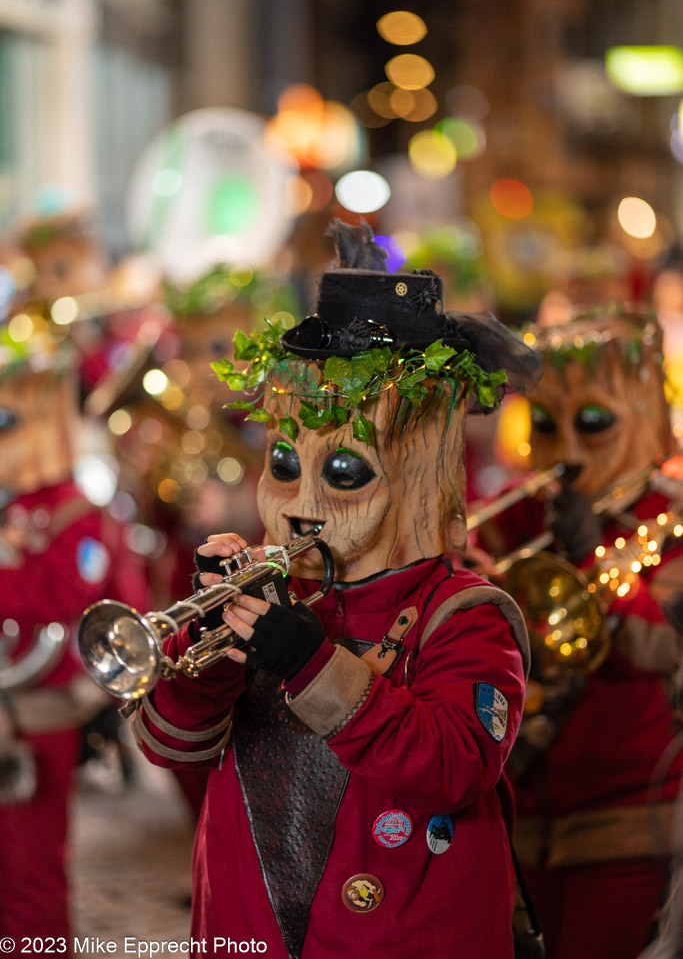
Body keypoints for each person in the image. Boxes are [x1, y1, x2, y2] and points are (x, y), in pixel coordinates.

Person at [126, 220, 542, 958]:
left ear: (411, 471)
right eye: (285, 464)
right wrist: (210, 644)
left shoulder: (467, 616)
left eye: (343, 472)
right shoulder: (281, 582)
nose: (300, 498)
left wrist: (312, 666)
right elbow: (167, 743)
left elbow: (453, 766)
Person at [476, 309, 683, 959]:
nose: (565, 449)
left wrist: (594, 558)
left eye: (591, 423)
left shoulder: (670, 516)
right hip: (522, 808)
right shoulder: (513, 510)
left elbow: (661, 648)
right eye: (545, 423)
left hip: (624, 815)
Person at [0, 319, 149, 944]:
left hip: (34, 711)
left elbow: (68, 603)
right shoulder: (16, 504)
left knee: (29, 872)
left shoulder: (72, 511)